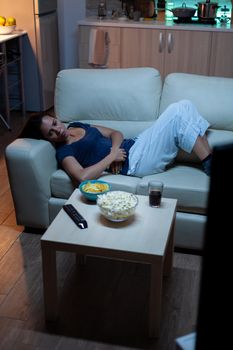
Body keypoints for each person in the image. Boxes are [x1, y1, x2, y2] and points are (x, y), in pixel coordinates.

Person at [20, 100, 212, 183]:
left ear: (56, 117)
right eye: (51, 133)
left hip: (136, 145)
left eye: (54, 123)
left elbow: (115, 133)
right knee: (178, 110)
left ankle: (209, 162)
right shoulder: (64, 151)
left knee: (183, 106)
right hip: (136, 163)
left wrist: (115, 149)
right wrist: (111, 157)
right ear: (48, 139)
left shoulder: (76, 125)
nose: (58, 129)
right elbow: (82, 177)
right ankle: (210, 164)